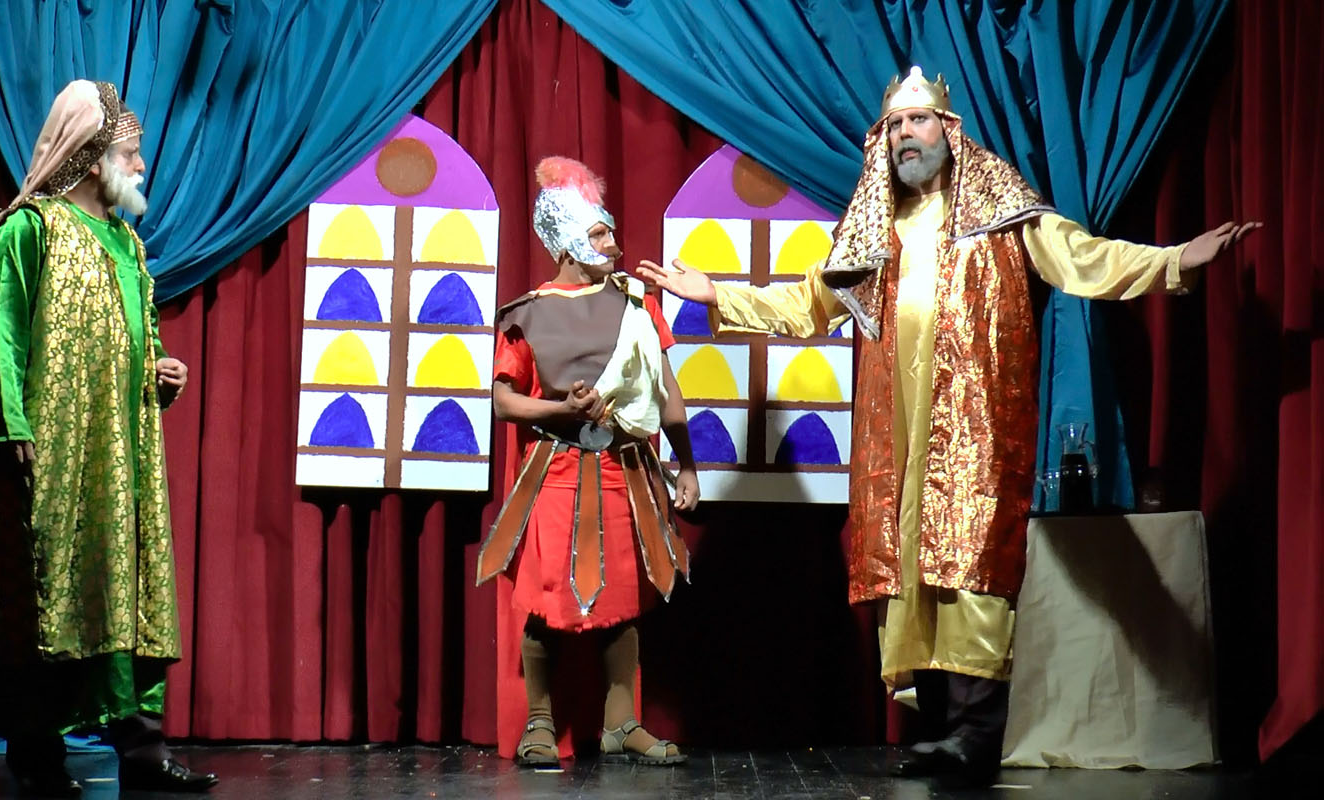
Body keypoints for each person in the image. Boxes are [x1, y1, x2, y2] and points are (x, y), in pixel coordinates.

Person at [638, 67, 1258, 785]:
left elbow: (1083, 258)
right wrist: (715, 293)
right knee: (909, 571)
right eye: (895, 126)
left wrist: (1175, 260)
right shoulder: (873, 232)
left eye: (919, 121)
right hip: (898, 437)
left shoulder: (1001, 212)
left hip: (974, 429)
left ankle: (975, 735)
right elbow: (808, 306)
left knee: (970, 565)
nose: (906, 135)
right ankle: (937, 729)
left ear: (949, 131)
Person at [0, 80, 217, 796]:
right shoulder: (30, 230)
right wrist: (9, 426)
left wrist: (158, 372)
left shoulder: (127, 244)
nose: (141, 167)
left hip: (122, 455)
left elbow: (136, 337)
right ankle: (36, 754)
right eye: (130, 153)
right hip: (51, 452)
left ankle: (142, 750)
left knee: (128, 586)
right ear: (93, 158)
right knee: (47, 591)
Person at [475, 156, 699, 767]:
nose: (614, 244)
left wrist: (686, 464)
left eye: (610, 231)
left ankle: (621, 723)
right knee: (547, 596)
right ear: (568, 242)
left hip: (623, 468)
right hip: (555, 470)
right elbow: (503, 401)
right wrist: (560, 410)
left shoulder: (637, 303)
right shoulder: (528, 313)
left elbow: (665, 390)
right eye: (599, 234)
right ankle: (540, 723)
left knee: (623, 595)